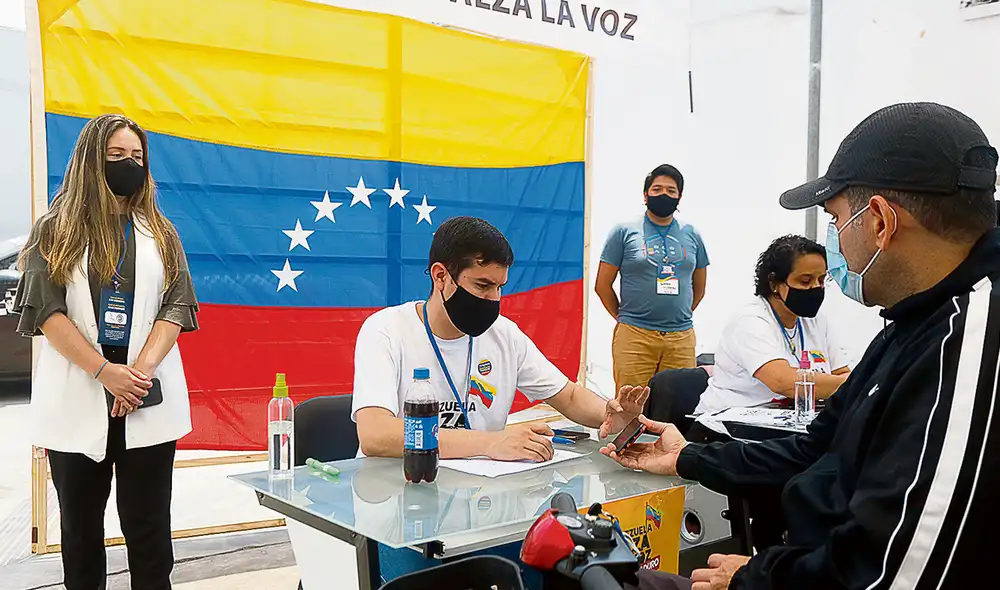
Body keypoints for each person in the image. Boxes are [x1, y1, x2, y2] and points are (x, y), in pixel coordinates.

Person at [602, 102, 1000, 590]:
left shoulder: (969, 341)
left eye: (834, 219)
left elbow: (893, 570)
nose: (835, 245)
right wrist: (688, 458)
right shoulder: (912, 324)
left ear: (879, 221)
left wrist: (755, 577)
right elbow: (815, 447)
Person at [14, 114, 198, 590]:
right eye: (116, 155)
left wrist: (136, 373)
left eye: (136, 156)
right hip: (80, 395)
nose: (128, 164)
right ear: (90, 160)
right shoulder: (54, 230)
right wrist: (104, 372)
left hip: (143, 398)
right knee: (80, 534)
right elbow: (47, 314)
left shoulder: (160, 231)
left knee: (150, 530)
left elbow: (176, 307)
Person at [352, 216, 649, 460]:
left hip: (478, 498)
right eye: (483, 285)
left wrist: (610, 415)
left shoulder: (504, 335)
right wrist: (489, 443)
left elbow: (568, 395)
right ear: (440, 276)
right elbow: (375, 435)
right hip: (397, 496)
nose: (493, 299)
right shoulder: (385, 331)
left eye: (500, 287)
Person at [694, 235, 851, 417]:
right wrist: (851, 384)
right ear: (774, 283)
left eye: (822, 280)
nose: (816, 288)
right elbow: (784, 382)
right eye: (805, 281)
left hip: (789, 424)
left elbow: (844, 373)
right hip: (727, 428)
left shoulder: (816, 321)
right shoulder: (750, 320)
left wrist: (848, 383)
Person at [596, 164, 710, 393]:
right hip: (635, 336)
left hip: (681, 338)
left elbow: (699, 287)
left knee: (678, 408)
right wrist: (624, 317)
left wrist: (678, 315)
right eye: (657, 189)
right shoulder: (624, 231)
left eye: (671, 190)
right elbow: (602, 285)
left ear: (679, 197)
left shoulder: (692, 234)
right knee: (630, 408)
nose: (664, 194)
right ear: (645, 195)